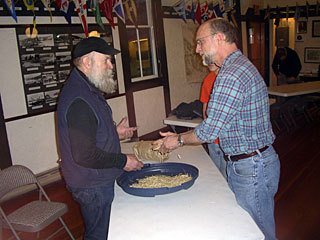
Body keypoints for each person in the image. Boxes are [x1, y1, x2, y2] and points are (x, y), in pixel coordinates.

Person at [154, 18, 280, 240]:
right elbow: (221, 122)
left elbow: (210, 131)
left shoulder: (230, 74)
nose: (197, 49)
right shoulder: (239, 67)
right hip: (254, 162)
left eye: (201, 42)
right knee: (251, 227)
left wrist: (177, 141)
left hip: (252, 166)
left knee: (259, 232)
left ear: (219, 38)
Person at [57, 36, 144, 240]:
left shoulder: (86, 88)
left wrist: (115, 133)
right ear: (87, 62)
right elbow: (84, 154)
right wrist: (123, 160)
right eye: (106, 60)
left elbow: (90, 132)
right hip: (92, 184)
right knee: (99, 235)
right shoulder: (79, 99)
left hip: (95, 178)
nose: (111, 65)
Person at [200, 67, 226, 179]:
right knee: (224, 175)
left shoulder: (209, 79)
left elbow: (205, 110)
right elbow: (205, 108)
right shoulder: (210, 79)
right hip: (220, 138)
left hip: (216, 137)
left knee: (217, 175)